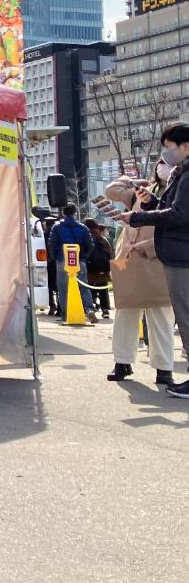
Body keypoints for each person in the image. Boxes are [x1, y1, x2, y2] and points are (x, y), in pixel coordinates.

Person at [113, 124, 189, 398]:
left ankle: (169, 370)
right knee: (179, 316)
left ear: (185, 146)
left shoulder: (187, 175)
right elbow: (172, 210)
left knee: (180, 317)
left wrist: (138, 217)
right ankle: (126, 362)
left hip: (177, 256)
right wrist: (150, 202)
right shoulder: (180, 176)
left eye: (169, 147)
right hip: (172, 255)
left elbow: (180, 216)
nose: (165, 155)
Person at [104, 168, 184, 384]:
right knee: (125, 316)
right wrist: (130, 181)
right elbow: (111, 190)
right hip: (128, 262)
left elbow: (176, 229)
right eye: (160, 164)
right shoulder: (142, 192)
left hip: (157, 262)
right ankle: (122, 362)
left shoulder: (178, 193)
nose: (164, 168)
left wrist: (148, 246)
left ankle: (163, 368)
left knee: (161, 319)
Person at [48, 203, 95, 322]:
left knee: (63, 288)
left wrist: (55, 257)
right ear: (75, 212)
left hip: (62, 259)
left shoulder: (57, 227)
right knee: (83, 286)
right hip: (79, 259)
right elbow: (90, 244)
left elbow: (52, 244)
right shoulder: (83, 227)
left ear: (63, 212)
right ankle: (89, 309)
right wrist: (84, 257)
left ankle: (66, 314)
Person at [85, 219, 113, 319]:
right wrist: (109, 269)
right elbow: (110, 254)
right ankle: (105, 310)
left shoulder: (86, 238)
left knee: (89, 288)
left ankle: (91, 309)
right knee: (103, 290)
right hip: (103, 270)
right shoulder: (103, 240)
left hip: (89, 269)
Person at [42, 218, 60, 315]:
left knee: (49, 285)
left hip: (47, 263)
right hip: (57, 261)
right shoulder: (57, 234)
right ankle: (60, 308)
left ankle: (52, 306)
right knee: (58, 286)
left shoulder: (44, 235)